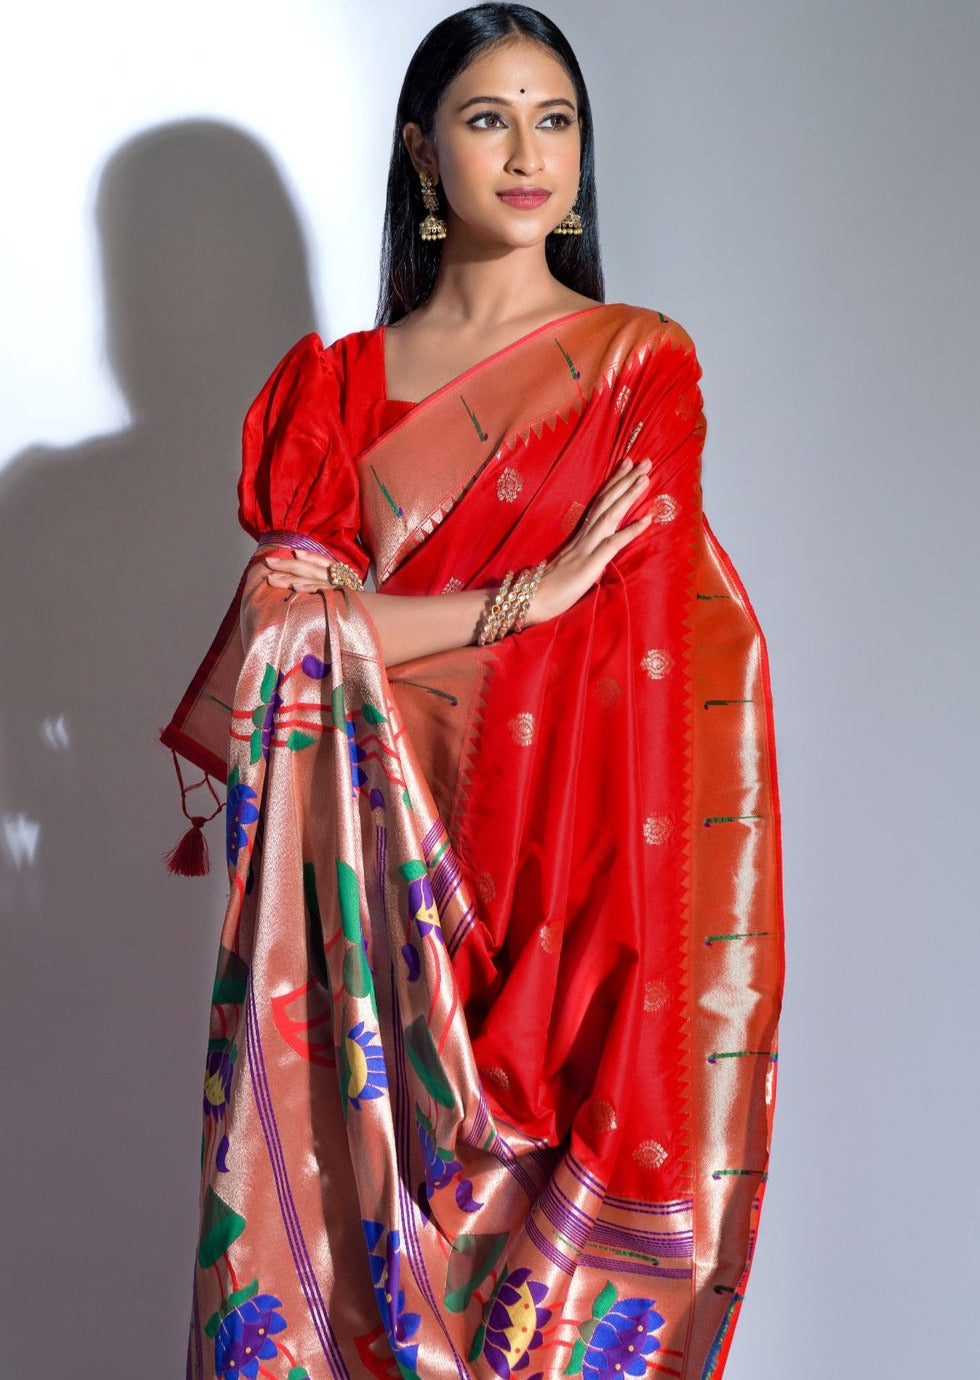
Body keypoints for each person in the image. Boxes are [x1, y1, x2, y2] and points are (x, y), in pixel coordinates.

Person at [162, 5, 785, 1377]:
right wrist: (521, 601)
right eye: (488, 117)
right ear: (421, 151)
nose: (527, 152)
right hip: (372, 897)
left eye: (554, 118)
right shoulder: (331, 394)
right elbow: (284, 641)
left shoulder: (636, 368)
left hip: (564, 902)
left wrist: (417, 623)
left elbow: (635, 659)